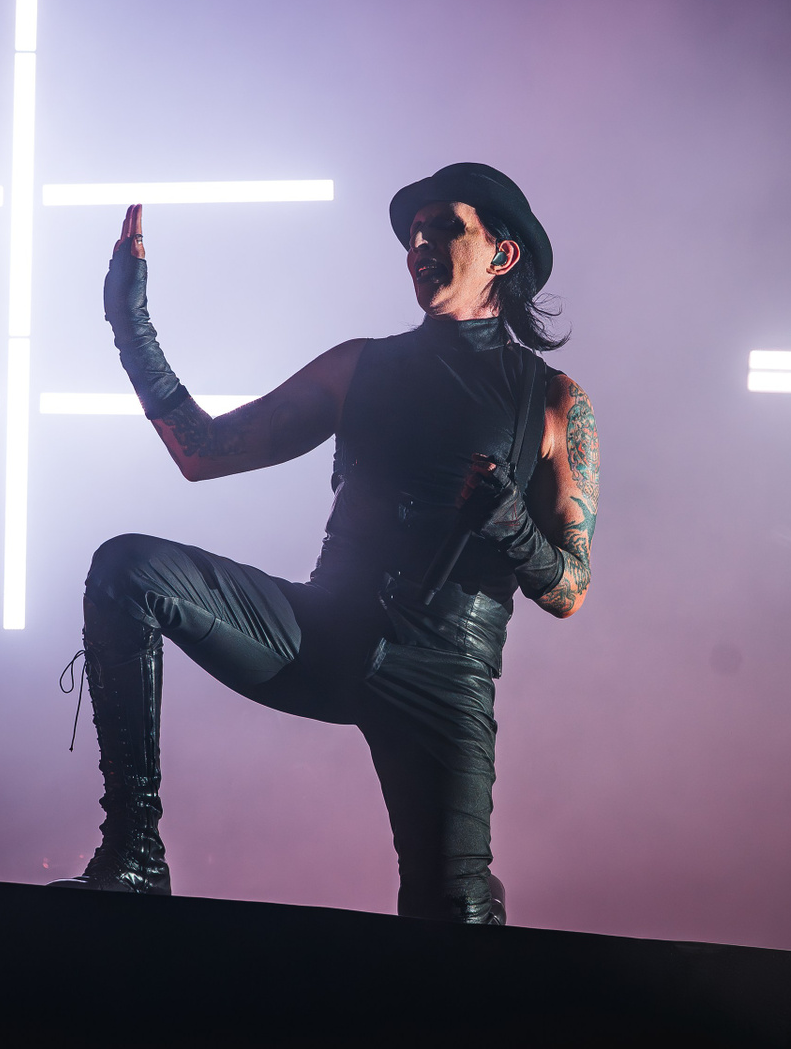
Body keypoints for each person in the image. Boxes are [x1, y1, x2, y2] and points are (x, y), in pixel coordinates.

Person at [50, 162, 598, 924]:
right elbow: (201, 452)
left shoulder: (553, 401)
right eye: (414, 234)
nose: (420, 245)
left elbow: (570, 590)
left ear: (502, 255)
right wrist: (128, 323)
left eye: (445, 228)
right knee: (127, 569)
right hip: (321, 634)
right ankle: (134, 852)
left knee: (453, 918)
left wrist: (512, 526)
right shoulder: (359, 367)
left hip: (443, 676)